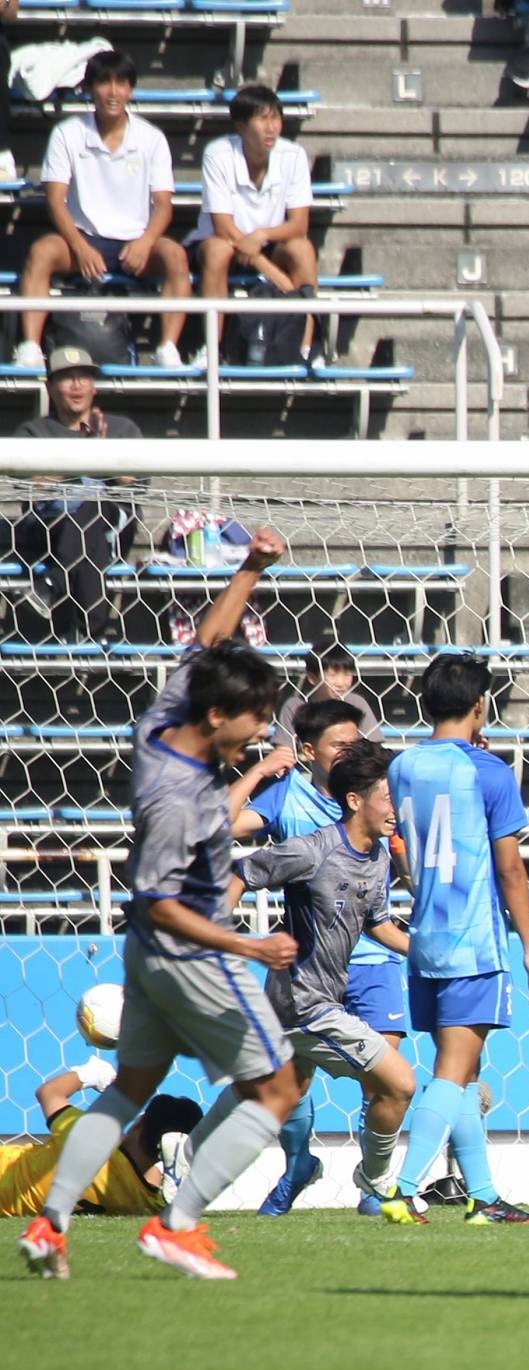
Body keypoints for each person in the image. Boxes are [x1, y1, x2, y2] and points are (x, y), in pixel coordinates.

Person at [14, 610, 297, 1282]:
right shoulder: (181, 799)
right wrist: (250, 948)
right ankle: (177, 1223)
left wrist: (251, 570)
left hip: (144, 957)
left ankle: (50, 1222)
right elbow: (162, 903)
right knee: (278, 1089)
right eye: (255, 717)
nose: (261, 732)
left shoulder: (162, 728)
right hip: (190, 957)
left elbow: (203, 642)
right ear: (219, 712)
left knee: (129, 1089)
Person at [379, 653, 529, 1227]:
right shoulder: (489, 772)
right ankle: (398, 1190)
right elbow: (511, 871)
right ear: (481, 705)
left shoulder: (401, 768)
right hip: (474, 941)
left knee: (465, 1072)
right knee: (453, 1074)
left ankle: (484, 1197)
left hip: (425, 938)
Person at [229, 683, 410, 1218]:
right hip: (305, 997)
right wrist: (226, 937)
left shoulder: (376, 852)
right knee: (395, 1081)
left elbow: (378, 922)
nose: (349, 753)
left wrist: (423, 951)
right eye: (340, 744)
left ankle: (185, 1157)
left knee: (261, 1100)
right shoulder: (308, 835)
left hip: (344, 978)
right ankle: (373, 1184)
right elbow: (240, 863)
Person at [17, 49, 185, 370]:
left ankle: (167, 349)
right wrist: (80, 247)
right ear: (90, 89)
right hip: (81, 238)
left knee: (175, 256)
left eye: (121, 83)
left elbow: (163, 205)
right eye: (105, 82)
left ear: (131, 90)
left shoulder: (152, 138)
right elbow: (55, 200)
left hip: (135, 243)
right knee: (41, 252)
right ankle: (30, 347)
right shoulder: (67, 133)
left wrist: (146, 242)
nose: (113, 92)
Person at [12, 346, 140, 640]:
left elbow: (133, 483)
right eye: (66, 378)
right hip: (50, 525)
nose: (77, 385)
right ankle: (94, 628)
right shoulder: (33, 432)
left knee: (94, 507)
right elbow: (33, 489)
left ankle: (53, 586)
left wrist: (102, 454)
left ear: (94, 386)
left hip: (111, 524)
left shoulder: (121, 429)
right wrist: (80, 457)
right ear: (50, 387)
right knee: (82, 527)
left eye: (84, 377)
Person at [189, 85, 320, 368]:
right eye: (262, 119)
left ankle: (307, 348)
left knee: (303, 249)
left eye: (275, 118)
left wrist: (261, 235)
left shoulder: (294, 155)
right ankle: (211, 348)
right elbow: (222, 225)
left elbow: (299, 225)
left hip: (267, 242)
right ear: (241, 125)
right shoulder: (218, 153)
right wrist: (269, 269)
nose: (271, 128)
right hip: (224, 241)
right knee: (217, 250)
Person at [0, 1062, 197, 1220]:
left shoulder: (92, 1139)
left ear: (140, 1121)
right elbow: (151, 1178)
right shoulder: (145, 1202)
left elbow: (49, 1092)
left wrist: (92, 1074)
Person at [277, 642, 379, 744]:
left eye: (347, 674)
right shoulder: (296, 706)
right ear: (312, 677)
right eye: (332, 675)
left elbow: (372, 748)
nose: (341, 683)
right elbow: (285, 752)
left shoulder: (356, 703)